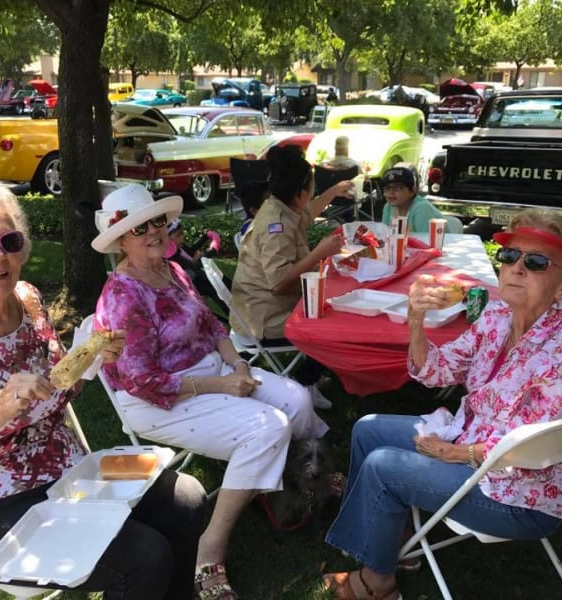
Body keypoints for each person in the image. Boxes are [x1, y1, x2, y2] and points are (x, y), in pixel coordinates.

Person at [0, 174, 207, 600]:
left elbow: (59, 386)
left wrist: (89, 361)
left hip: (68, 475)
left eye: (11, 241)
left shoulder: (28, 299)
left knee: (188, 499)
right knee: (145, 558)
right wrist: (1, 406)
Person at [91, 183, 329, 600]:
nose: (153, 232)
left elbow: (214, 327)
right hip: (160, 398)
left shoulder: (172, 269)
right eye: (139, 228)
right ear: (120, 241)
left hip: (216, 370)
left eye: (157, 221)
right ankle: (209, 549)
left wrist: (237, 363)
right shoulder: (123, 296)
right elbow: (142, 380)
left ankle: (296, 480)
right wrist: (223, 384)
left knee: (298, 398)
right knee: (268, 427)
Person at [322, 207, 562, 600]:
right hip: (472, 444)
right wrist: (415, 320)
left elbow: (534, 447)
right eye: (509, 256)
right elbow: (438, 370)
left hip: (518, 494)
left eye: (535, 262)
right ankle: (388, 544)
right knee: (368, 429)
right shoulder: (497, 315)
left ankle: (377, 583)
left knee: (383, 467)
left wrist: (458, 453)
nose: (517, 268)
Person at [230, 145, 355, 410]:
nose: (311, 196)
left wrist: (333, 191)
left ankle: (310, 374)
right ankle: (303, 382)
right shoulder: (276, 224)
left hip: (266, 307)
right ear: (299, 193)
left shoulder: (279, 206)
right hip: (265, 319)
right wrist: (318, 254)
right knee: (335, 325)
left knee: (334, 306)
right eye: (312, 189)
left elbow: (306, 214)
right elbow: (278, 284)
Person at [380, 166, 447, 232]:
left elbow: (426, 241)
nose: (391, 192)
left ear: (413, 191)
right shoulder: (388, 207)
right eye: (387, 188)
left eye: (397, 187)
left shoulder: (422, 208)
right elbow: (385, 235)